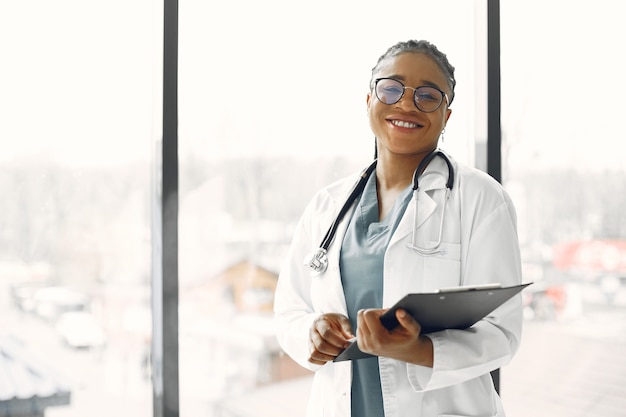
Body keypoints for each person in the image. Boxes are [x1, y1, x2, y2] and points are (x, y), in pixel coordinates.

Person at [273, 39, 523, 417]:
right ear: (369, 99)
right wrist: (312, 332)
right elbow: (289, 311)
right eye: (391, 88)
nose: (407, 103)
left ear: (446, 116)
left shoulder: (481, 198)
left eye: (427, 95)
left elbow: (502, 332)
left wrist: (419, 351)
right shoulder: (327, 206)